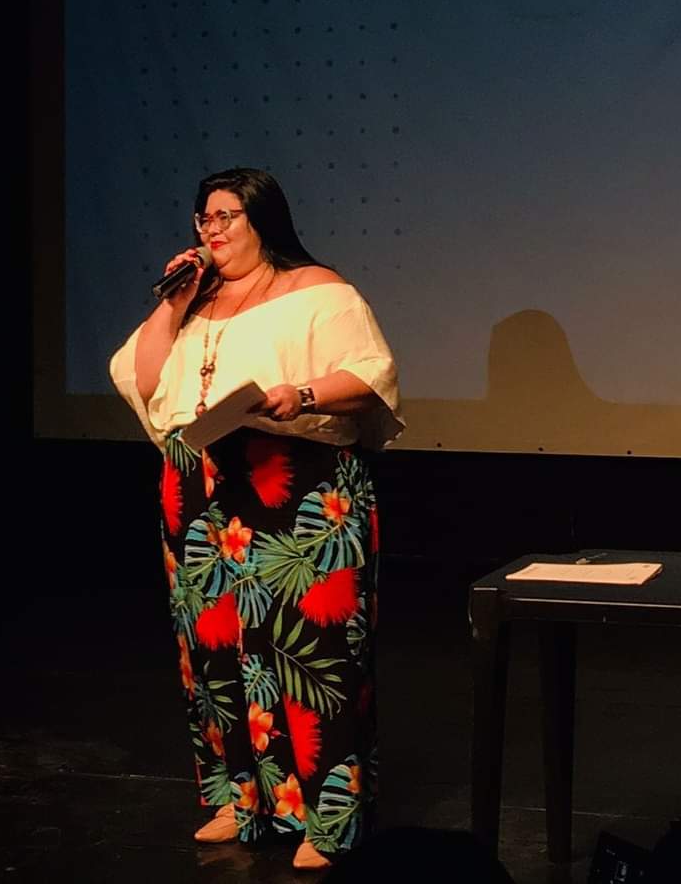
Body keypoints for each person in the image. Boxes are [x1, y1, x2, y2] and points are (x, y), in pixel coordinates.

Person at [110, 168, 402, 870]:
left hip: (293, 483)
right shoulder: (196, 297)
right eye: (202, 218)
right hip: (200, 486)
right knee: (214, 648)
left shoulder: (318, 289)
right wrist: (174, 303)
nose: (210, 230)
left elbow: (371, 374)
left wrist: (299, 393)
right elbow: (145, 381)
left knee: (309, 649)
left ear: (261, 219)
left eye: (225, 216)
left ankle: (327, 817)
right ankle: (238, 799)